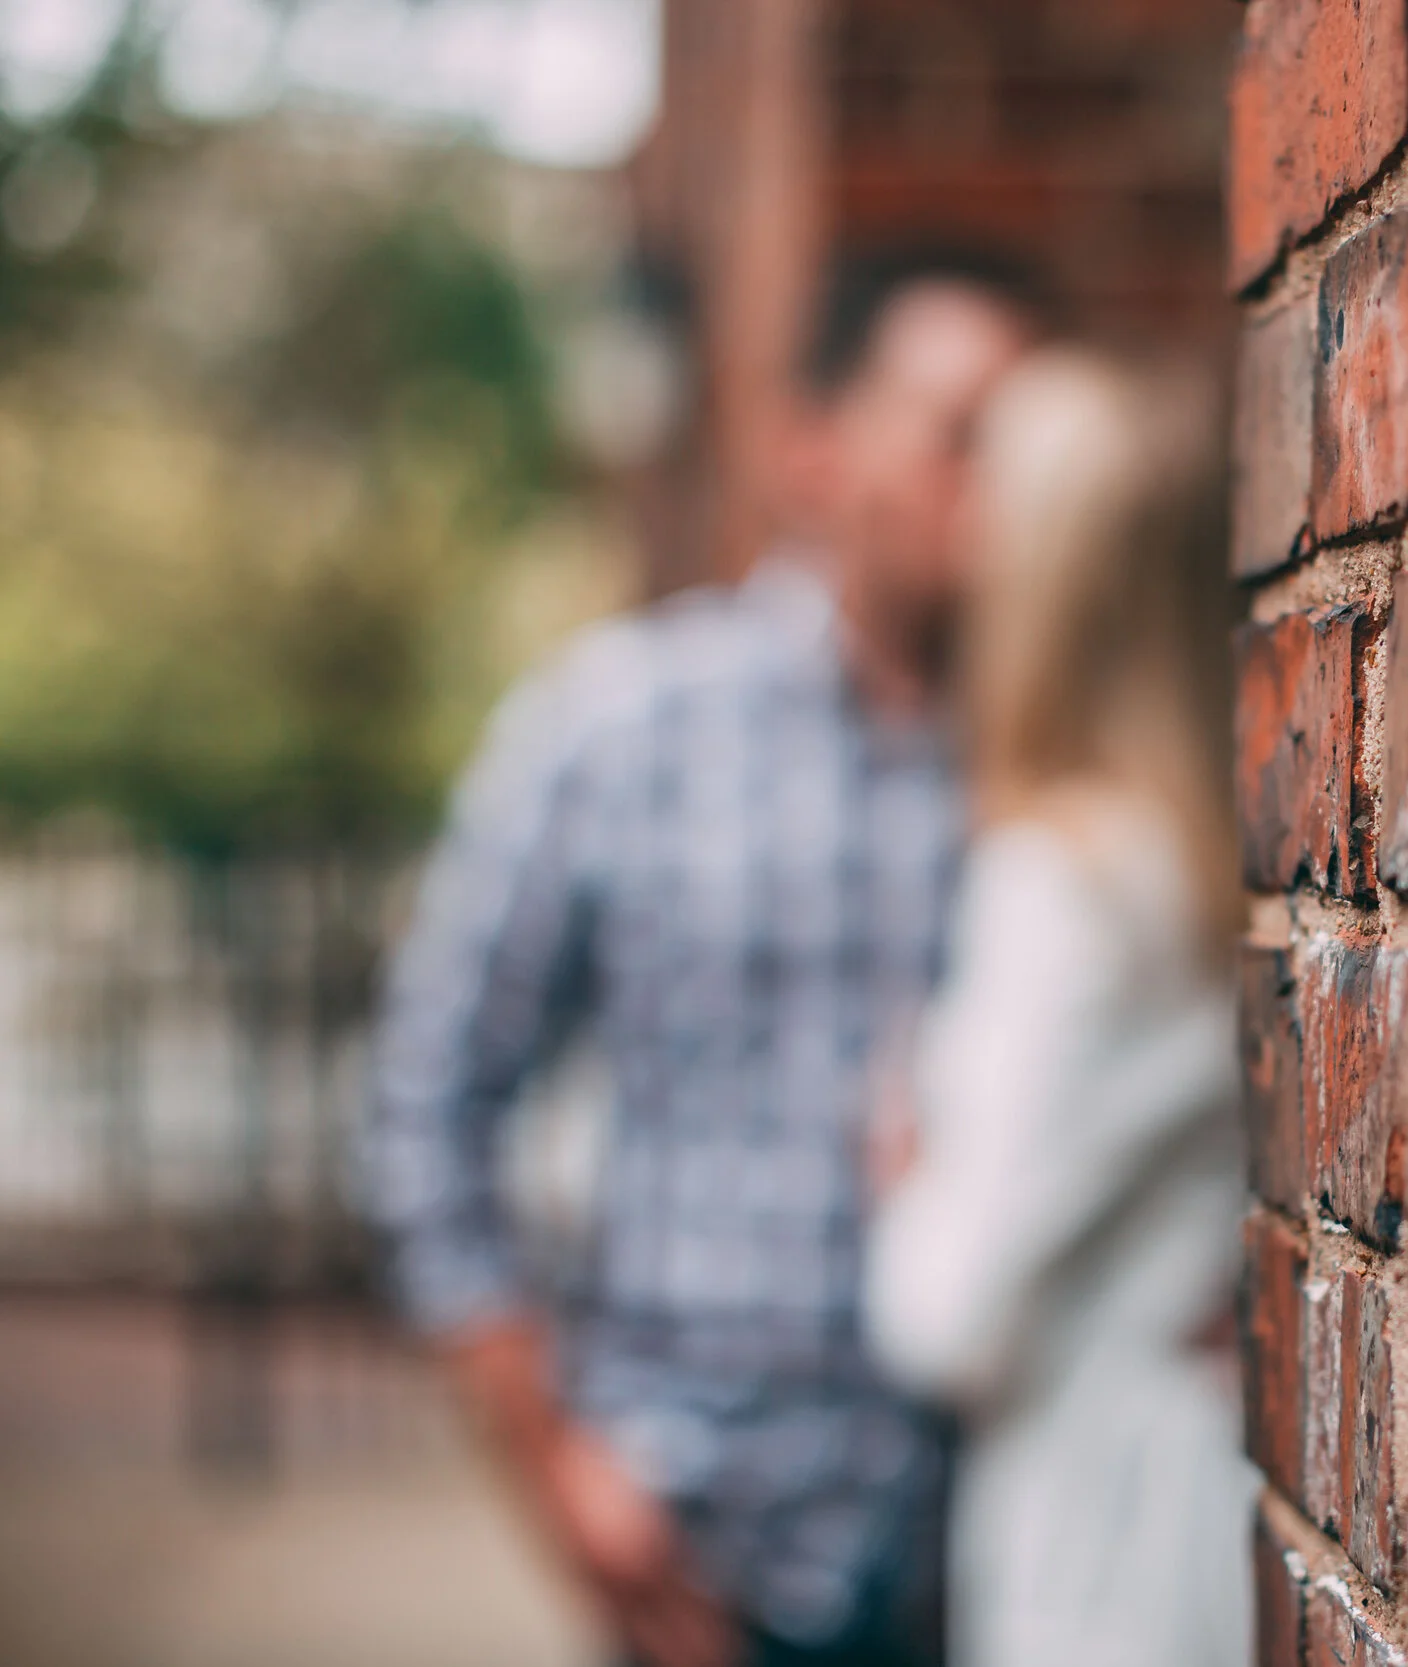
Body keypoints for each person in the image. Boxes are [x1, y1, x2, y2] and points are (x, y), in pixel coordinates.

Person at [363, 248, 1044, 1667]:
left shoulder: (1075, 770)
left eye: (1029, 444)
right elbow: (426, 1101)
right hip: (702, 1553)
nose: (999, 489)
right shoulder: (618, 726)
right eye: (958, 435)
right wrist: (558, 1472)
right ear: (815, 449)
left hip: (1007, 1557)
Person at [860, 350, 1253, 1667]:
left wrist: (906, 1176)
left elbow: (950, 1313)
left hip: (1097, 1544)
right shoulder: (1196, 862)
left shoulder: (1062, 884)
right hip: (1194, 1503)